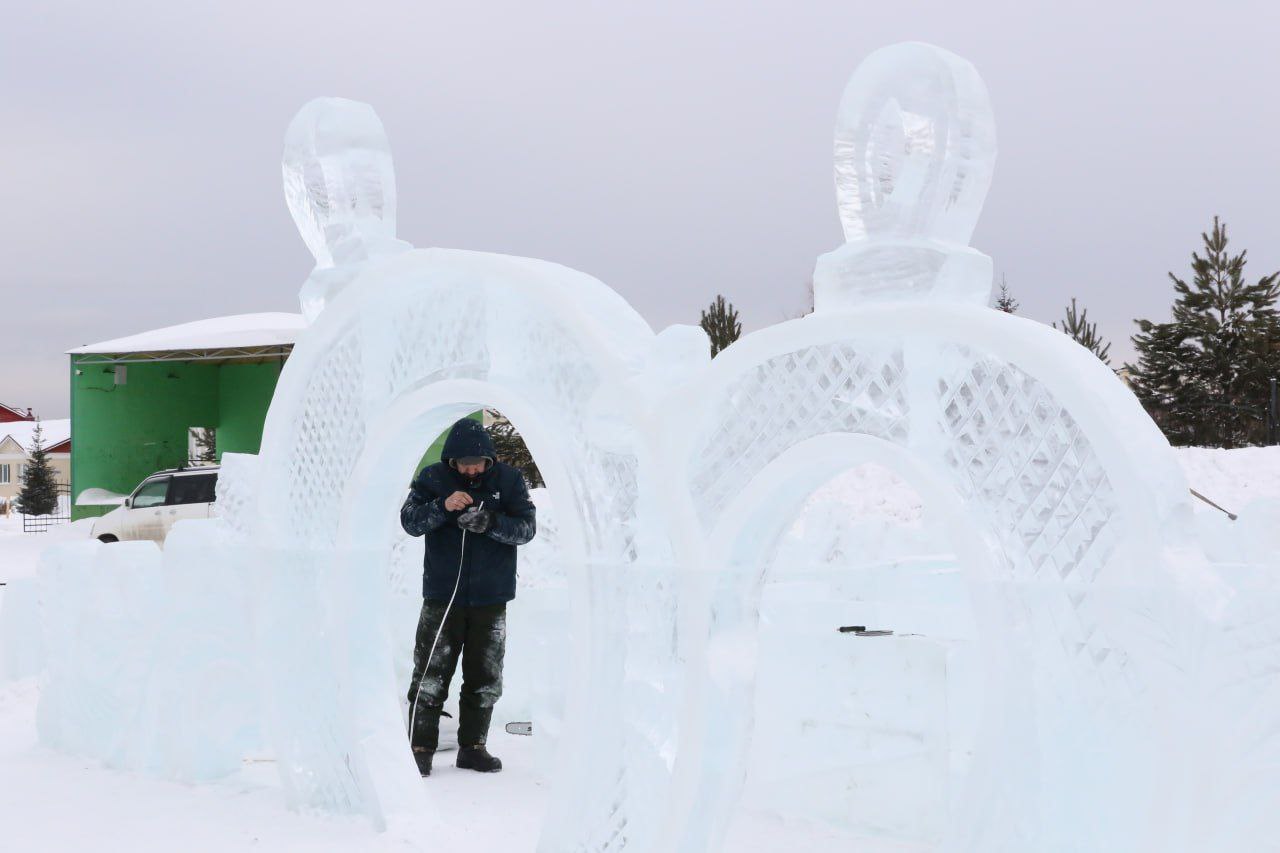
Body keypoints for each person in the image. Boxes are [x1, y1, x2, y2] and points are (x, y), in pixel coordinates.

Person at [399, 417, 537, 777]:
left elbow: (526, 529)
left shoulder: (508, 480)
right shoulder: (432, 478)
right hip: (442, 597)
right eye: (464, 463)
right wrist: (441, 507)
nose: (471, 469)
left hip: (491, 598)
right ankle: (419, 749)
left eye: (477, 463)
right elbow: (410, 522)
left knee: (485, 678)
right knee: (430, 675)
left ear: (489, 459)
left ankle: (473, 748)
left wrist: (490, 523)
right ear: (452, 461)